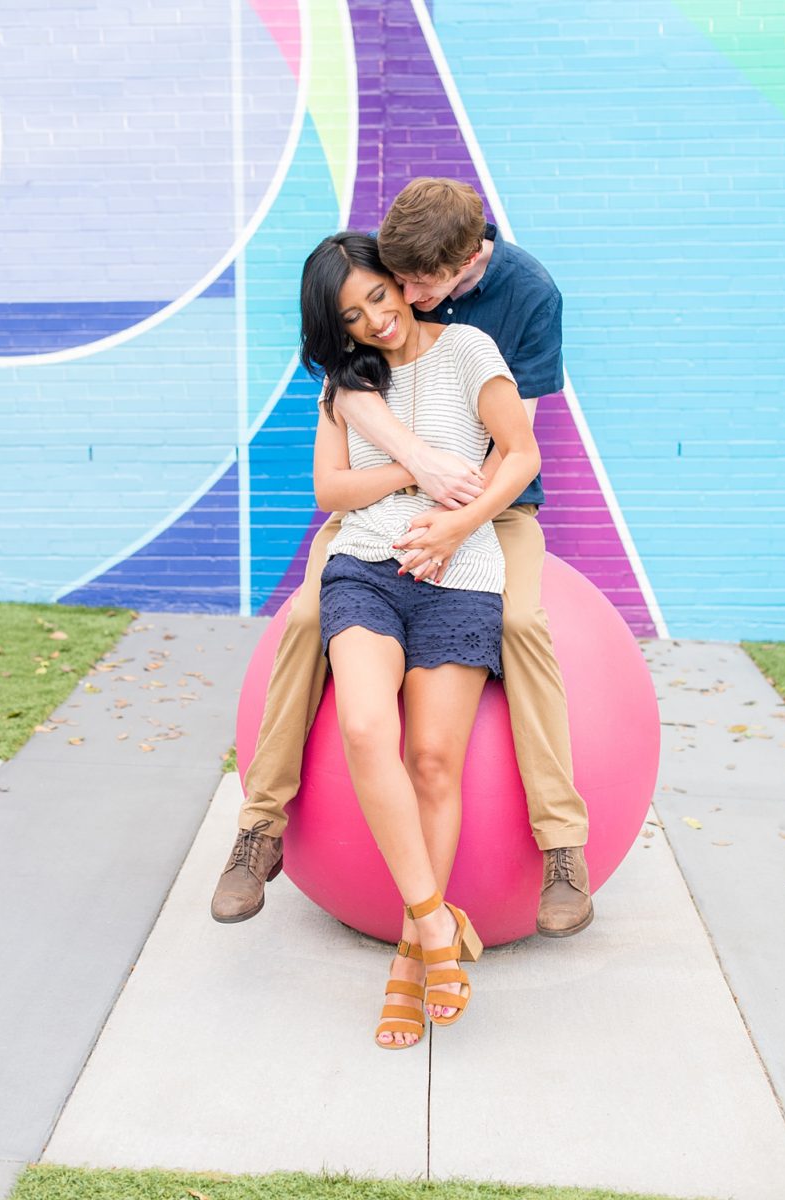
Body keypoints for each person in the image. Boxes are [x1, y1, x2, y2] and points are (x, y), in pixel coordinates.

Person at [212, 178, 592, 939]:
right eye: (393, 282)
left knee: (520, 623)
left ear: (464, 265)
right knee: (309, 614)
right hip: (382, 510)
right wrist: (402, 453)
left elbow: (510, 447)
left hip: (491, 506)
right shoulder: (387, 278)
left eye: (414, 286)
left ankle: (561, 845)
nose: (404, 302)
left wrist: (457, 523)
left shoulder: (523, 300)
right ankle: (260, 827)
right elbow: (345, 383)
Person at [305, 231, 539, 1046]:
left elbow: (518, 452)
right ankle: (437, 925)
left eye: (379, 295)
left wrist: (459, 524)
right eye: (352, 314)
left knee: (435, 762)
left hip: (460, 574)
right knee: (367, 725)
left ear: (401, 284)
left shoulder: (469, 348)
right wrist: (413, 471)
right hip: (366, 568)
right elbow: (331, 487)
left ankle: (410, 961)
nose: (376, 319)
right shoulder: (345, 388)